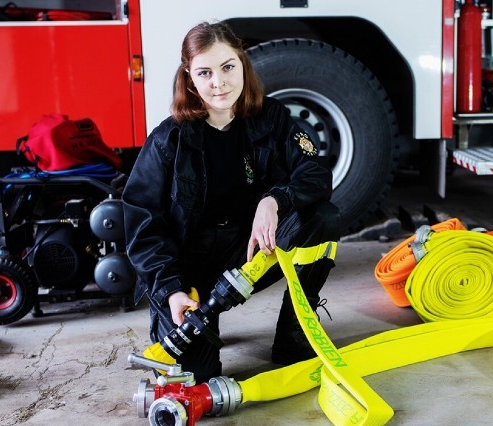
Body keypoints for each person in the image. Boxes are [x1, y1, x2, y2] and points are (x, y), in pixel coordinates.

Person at [122, 21, 340, 384]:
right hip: (189, 270)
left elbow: (315, 172)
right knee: (196, 378)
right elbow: (143, 226)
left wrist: (275, 199)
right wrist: (171, 289)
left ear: (242, 65)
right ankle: (176, 318)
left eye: (227, 68)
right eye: (205, 72)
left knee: (322, 217)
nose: (218, 83)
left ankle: (295, 331)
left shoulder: (274, 119)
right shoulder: (167, 140)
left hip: (250, 251)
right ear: (189, 77)